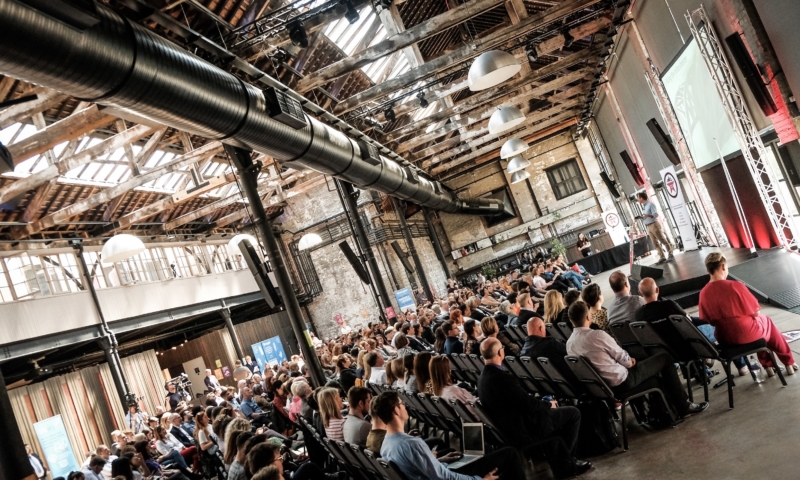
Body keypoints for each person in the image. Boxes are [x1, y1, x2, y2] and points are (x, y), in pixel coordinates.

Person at [566, 300, 708, 417]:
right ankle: (684, 406)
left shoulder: (569, 344)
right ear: (588, 317)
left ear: (571, 320)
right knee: (664, 358)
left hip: (603, 388)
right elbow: (624, 359)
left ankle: (669, 408)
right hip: (623, 381)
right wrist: (630, 361)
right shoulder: (597, 335)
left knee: (650, 366)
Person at [478, 338, 589, 479]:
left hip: (509, 427)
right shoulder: (501, 378)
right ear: (500, 353)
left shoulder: (483, 378)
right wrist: (548, 404)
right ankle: (566, 464)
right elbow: (528, 405)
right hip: (524, 428)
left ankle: (559, 462)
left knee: (553, 415)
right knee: (573, 413)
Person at [375, 391, 525, 480]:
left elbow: (416, 470)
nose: (405, 406)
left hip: (441, 471)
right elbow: (444, 477)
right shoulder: (412, 444)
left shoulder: (385, 445)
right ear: (396, 410)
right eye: (402, 404)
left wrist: (438, 461)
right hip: (448, 476)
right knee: (509, 453)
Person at [699, 252, 797, 376]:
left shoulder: (703, 293)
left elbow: (708, 320)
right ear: (723, 266)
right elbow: (756, 313)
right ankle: (788, 362)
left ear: (708, 270)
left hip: (725, 340)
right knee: (766, 322)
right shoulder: (735, 286)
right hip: (747, 335)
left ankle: (769, 367)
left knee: (760, 326)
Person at [637, 192, 673, 264]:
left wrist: (648, 215)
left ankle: (670, 254)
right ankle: (662, 257)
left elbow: (655, 214)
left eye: (638, 198)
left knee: (662, 240)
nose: (637, 199)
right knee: (655, 243)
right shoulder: (644, 207)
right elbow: (646, 217)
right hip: (648, 226)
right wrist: (641, 217)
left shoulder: (651, 204)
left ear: (641, 198)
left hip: (654, 225)